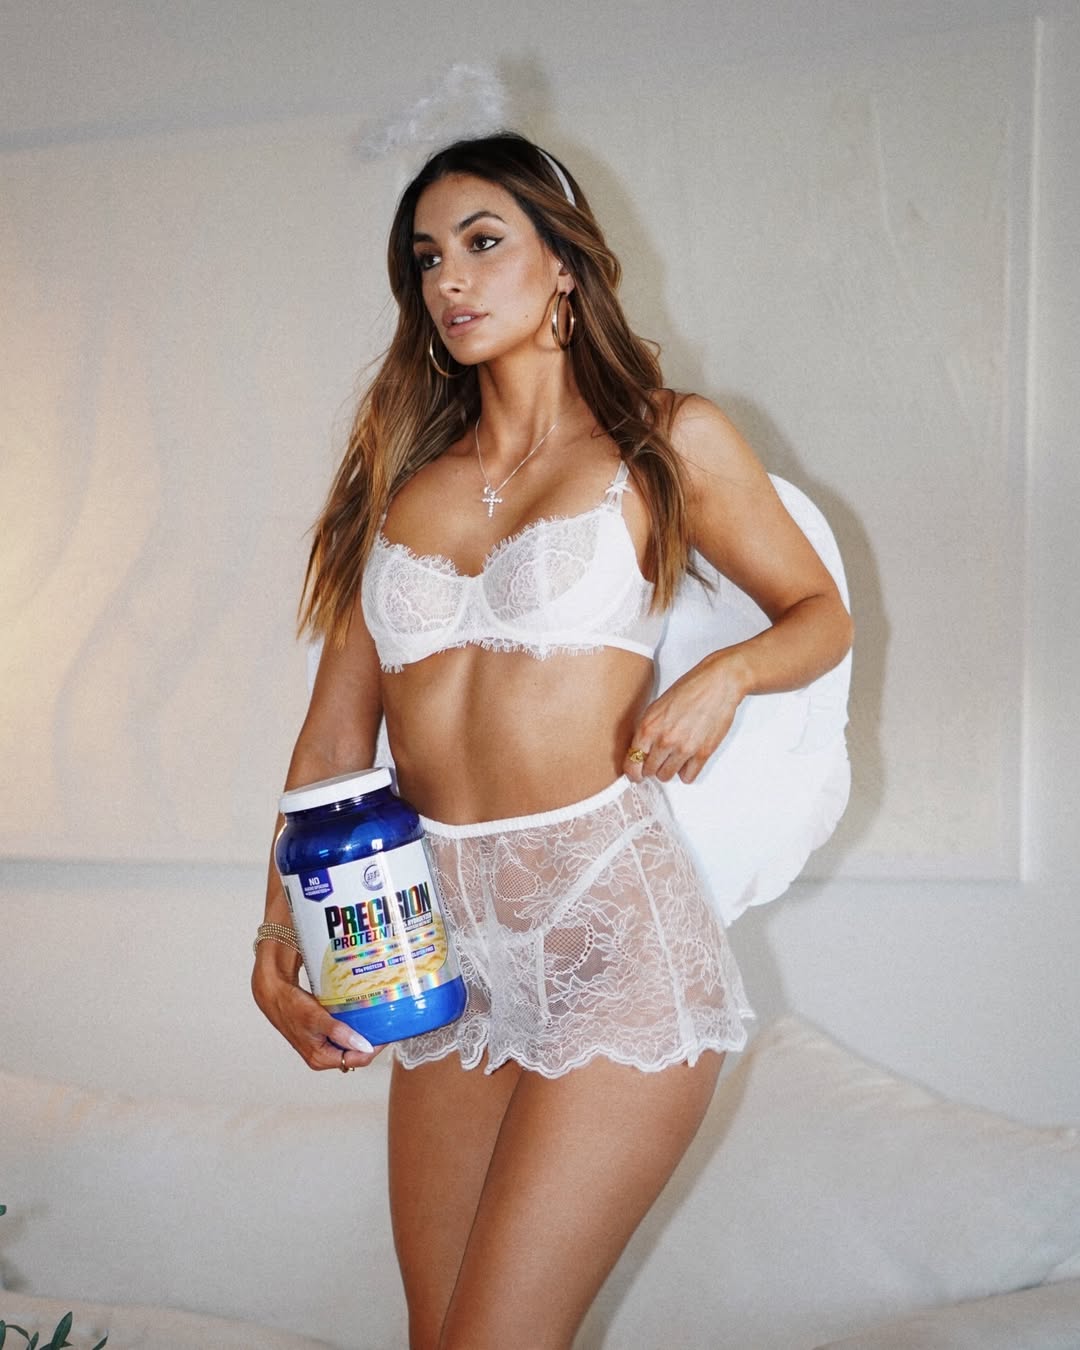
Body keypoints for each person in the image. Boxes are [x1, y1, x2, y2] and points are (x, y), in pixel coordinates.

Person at [252, 132, 853, 1350]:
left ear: (564, 264)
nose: (451, 280)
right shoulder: (398, 486)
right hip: (434, 945)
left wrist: (727, 675)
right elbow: (329, 747)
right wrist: (275, 939)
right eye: (428, 259)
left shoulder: (664, 441)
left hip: (610, 931)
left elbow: (819, 614)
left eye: (484, 243)